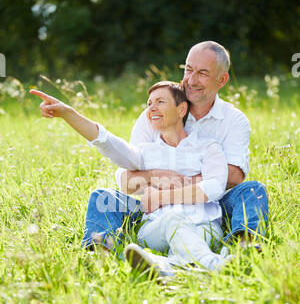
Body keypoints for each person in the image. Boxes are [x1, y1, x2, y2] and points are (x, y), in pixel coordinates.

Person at [81, 41, 268, 253]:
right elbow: (130, 178)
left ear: (222, 79)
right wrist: (159, 174)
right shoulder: (155, 113)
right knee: (102, 198)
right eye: (188, 69)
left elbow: (234, 177)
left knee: (253, 191)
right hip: (154, 208)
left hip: (210, 207)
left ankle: (245, 245)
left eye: (203, 73)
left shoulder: (234, 120)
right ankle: (101, 252)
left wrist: (179, 186)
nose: (191, 80)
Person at [30, 81, 232, 276]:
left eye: (160, 102)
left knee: (179, 228)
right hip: (156, 229)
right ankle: (213, 264)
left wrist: (163, 197)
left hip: (205, 227)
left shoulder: (208, 147)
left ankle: (167, 266)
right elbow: (106, 141)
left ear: (181, 110)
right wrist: (68, 113)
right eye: (149, 103)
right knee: (172, 219)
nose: (152, 108)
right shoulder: (145, 153)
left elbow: (214, 187)